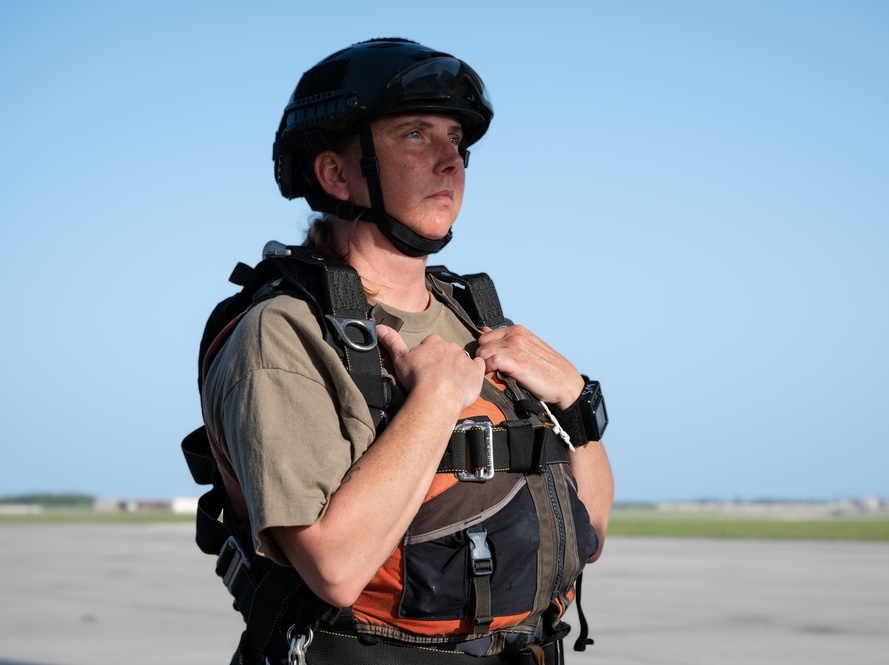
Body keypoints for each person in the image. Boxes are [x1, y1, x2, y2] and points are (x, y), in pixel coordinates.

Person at [197, 37, 614, 665]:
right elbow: (334, 568)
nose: (451, 162)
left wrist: (578, 399)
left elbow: (591, 532)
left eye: (457, 141)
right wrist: (435, 401)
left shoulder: (474, 319)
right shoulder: (283, 333)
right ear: (335, 172)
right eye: (416, 135)